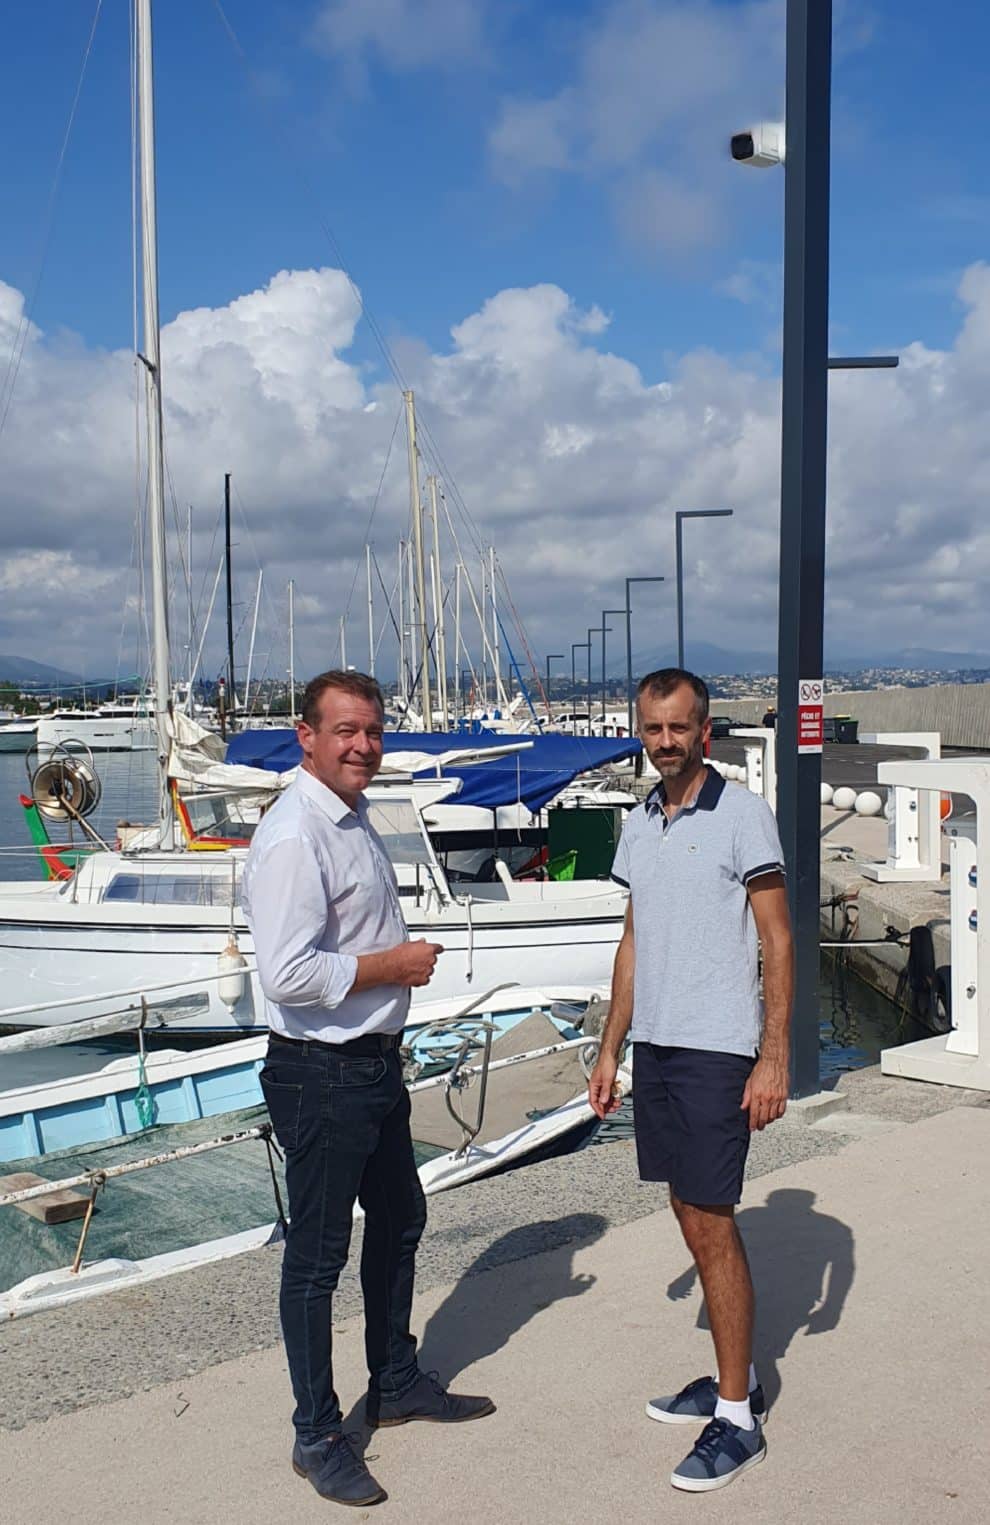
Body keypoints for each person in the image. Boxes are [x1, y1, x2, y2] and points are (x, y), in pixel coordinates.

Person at [242, 670, 494, 1509]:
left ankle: (393, 1380)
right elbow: (286, 973)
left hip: (372, 1064)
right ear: (307, 737)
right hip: (321, 1070)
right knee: (317, 1259)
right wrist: (393, 965)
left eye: (373, 731)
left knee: (400, 1217)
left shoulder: (349, 815)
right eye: (346, 730)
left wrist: (388, 979)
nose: (363, 745)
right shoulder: (295, 833)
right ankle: (316, 1434)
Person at [588, 667, 793, 1495]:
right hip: (658, 1047)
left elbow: (778, 939)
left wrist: (773, 1054)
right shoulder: (639, 822)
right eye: (653, 727)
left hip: (716, 1049)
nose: (665, 740)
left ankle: (738, 1417)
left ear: (704, 730)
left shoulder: (742, 813)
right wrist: (610, 1047)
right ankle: (735, 1375)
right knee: (685, 1207)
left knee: (712, 1220)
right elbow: (633, 941)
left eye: (678, 727)